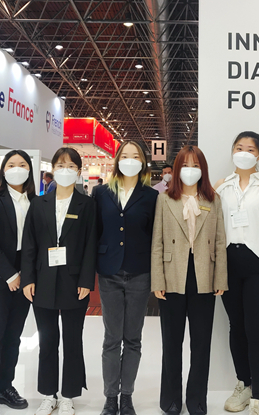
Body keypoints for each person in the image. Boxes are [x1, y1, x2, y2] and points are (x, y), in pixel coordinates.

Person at [20, 147, 97, 415]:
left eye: (71, 166)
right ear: (52, 169)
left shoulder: (87, 205)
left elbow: (91, 244)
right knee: (48, 340)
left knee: (73, 340)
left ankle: (68, 395)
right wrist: (28, 278)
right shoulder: (39, 204)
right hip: (43, 280)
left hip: (75, 282)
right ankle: (48, 394)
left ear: (79, 171)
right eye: (60, 165)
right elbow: (29, 244)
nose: (65, 170)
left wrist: (86, 280)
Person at [151, 145, 227, 415]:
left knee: (201, 344)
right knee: (171, 343)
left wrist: (220, 278)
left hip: (203, 276)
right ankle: (171, 400)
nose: (190, 170)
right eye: (185, 165)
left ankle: (196, 400)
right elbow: (157, 243)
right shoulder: (165, 199)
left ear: (202, 169)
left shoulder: (213, 200)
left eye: (196, 165)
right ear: (177, 169)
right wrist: (157, 280)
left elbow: (220, 241)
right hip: (172, 276)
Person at [214, 132, 259, 415]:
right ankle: (243, 383)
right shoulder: (221, 186)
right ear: (232, 151)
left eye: (251, 149)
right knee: (237, 327)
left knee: (258, 330)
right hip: (229, 265)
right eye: (239, 147)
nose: (244, 152)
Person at [94, 141, 158, 415]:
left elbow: (155, 236)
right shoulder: (101, 193)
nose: (130, 160)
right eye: (125, 155)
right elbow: (95, 231)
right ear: (118, 160)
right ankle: (110, 397)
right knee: (112, 338)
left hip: (139, 272)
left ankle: (127, 396)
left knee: (133, 338)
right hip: (109, 272)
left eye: (136, 156)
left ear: (143, 162)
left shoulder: (151, 196)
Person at [0, 150, 37, 415]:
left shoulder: (36, 201)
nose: (16, 168)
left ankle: (6, 386)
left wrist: (26, 276)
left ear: (29, 170)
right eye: (11, 164)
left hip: (26, 279)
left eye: (22, 164)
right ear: (3, 170)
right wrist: (11, 275)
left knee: (13, 337)